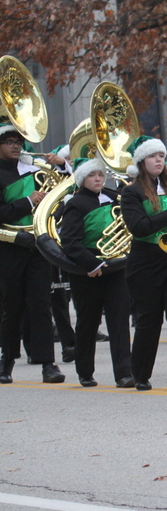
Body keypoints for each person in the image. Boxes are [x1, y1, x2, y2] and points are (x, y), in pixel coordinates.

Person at [120, 135, 167, 391]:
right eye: (153, 156)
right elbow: (138, 227)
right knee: (149, 321)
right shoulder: (131, 192)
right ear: (142, 161)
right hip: (146, 262)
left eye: (161, 156)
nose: (159, 160)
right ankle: (140, 374)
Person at [0, 123, 67, 384]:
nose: (16, 146)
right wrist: (28, 201)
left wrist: (62, 165)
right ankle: (6, 361)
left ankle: (48, 364)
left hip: (37, 245)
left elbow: (62, 192)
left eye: (18, 142)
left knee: (41, 305)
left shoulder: (34, 170)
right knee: (12, 305)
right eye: (9, 142)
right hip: (10, 247)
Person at [59, 157, 133, 388]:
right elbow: (69, 241)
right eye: (92, 175)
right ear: (82, 179)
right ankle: (85, 372)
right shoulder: (76, 203)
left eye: (100, 174)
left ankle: (124, 373)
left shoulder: (114, 197)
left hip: (116, 266)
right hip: (88, 270)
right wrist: (92, 264)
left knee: (119, 321)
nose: (98, 179)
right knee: (87, 322)